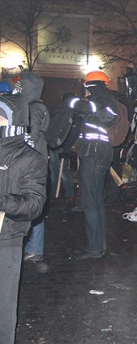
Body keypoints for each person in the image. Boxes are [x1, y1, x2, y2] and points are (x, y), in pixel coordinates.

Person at [0, 94, 47, 343]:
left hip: (6, 239)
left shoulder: (29, 159)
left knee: (3, 308)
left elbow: (34, 204)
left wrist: (3, 202)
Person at [68, 71, 119, 260]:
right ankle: (99, 245)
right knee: (97, 201)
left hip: (93, 154)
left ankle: (94, 248)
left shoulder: (99, 100)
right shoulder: (105, 99)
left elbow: (102, 115)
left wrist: (74, 102)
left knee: (90, 202)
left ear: (90, 85)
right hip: (99, 153)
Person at [16, 72, 49, 264]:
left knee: (32, 205)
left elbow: (30, 136)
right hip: (34, 162)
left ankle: (35, 248)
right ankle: (32, 246)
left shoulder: (33, 108)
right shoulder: (35, 105)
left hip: (31, 165)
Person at [48, 92, 81, 203]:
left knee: (61, 171)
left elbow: (72, 133)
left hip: (58, 145)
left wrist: (66, 149)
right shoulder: (61, 112)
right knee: (56, 170)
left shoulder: (72, 114)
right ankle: (57, 193)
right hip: (56, 144)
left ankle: (67, 193)